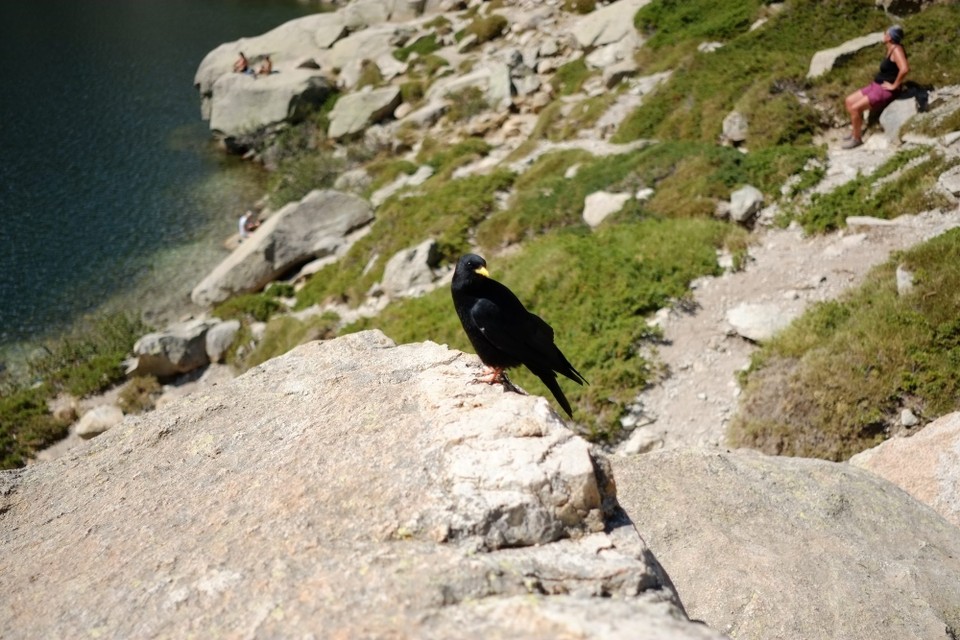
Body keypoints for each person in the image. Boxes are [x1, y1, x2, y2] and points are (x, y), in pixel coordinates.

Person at [842, 25, 909, 149]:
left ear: (889, 37)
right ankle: (855, 131)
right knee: (849, 101)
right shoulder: (891, 48)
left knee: (856, 108)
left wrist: (895, 85)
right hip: (876, 85)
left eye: (885, 34)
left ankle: (857, 139)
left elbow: (904, 69)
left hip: (884, 90)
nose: (883, 36)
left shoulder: (897, 50)